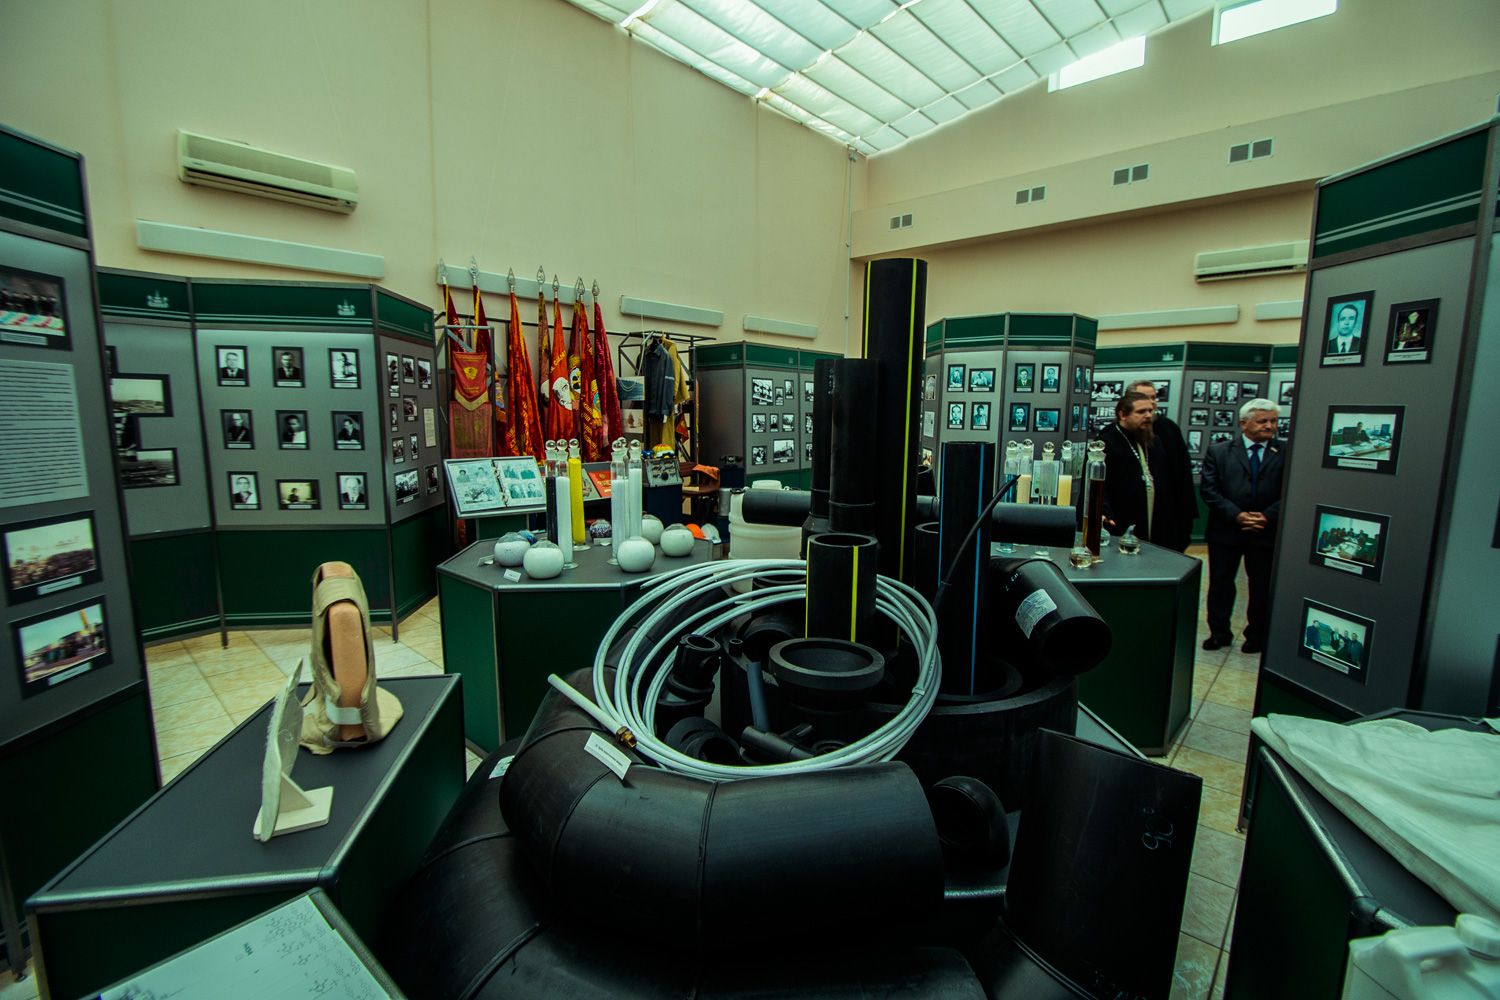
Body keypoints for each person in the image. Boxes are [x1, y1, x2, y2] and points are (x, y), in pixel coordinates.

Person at [1200, 398, 1285, 653]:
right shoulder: (1219, 451)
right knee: (1221, 584)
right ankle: (1219, 633)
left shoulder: (1286, 452)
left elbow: (1292, 490)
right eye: (1262, 421)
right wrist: (1237, 515)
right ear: (1243, 423)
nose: (1269, 426)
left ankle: (1256, 635)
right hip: (1226, 530)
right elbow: (1209, 490)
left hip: (1265, 531)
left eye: (1273, 421)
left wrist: (1267, 516)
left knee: (1261, 586)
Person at [1124, 379, 1196, 552]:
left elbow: (1183, 475)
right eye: (1144, 398)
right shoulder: (1118, 436)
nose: (1151, 403)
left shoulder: (1169, 429)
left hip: (1167, 512)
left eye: (1153, 398)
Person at [1098, 391, 1170, 544]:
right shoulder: (1108, 443)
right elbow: (1098, 487)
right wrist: (1105, 512)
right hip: (1121, 522)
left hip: (1153, 520)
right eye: (1141, 411)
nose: (1148, 416)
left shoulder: (1154, 443)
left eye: (1150, 411)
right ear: (1123, 415)